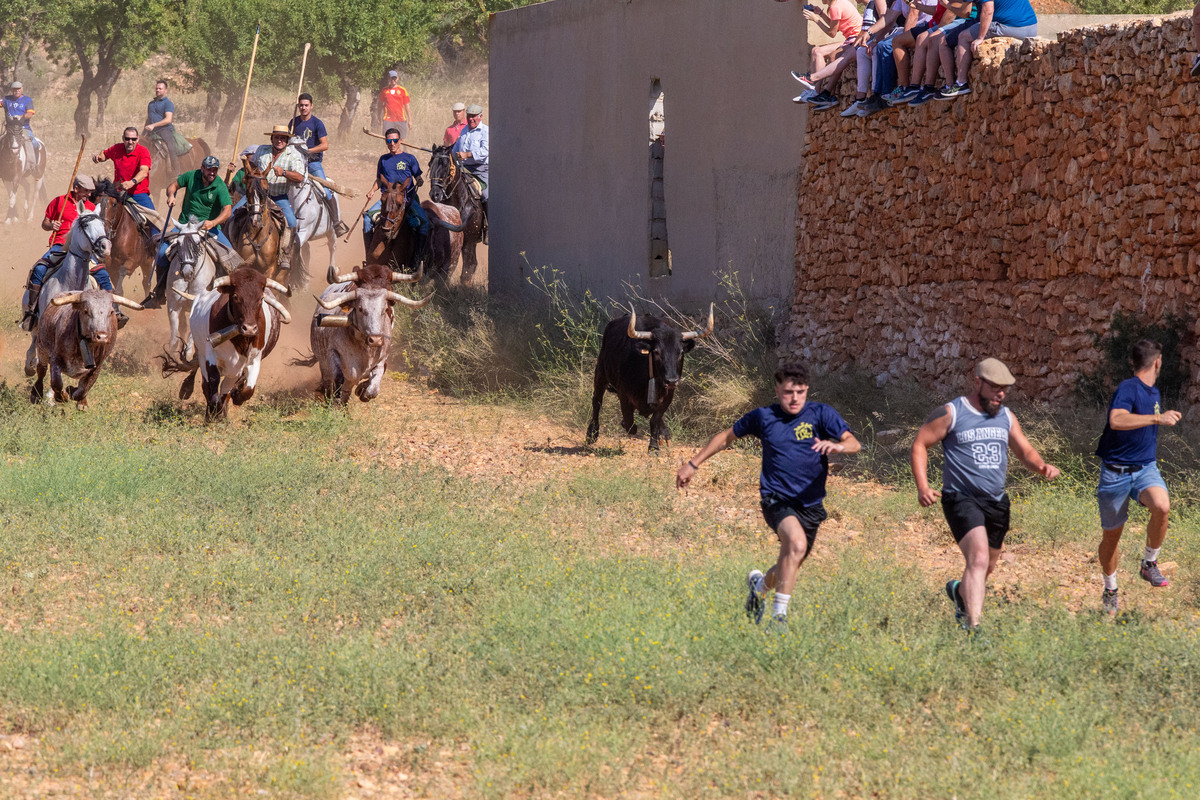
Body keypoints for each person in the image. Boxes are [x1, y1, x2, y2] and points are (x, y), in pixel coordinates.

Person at [677, 363, 861, 632]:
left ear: (807, 390)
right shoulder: (764, 417)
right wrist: (693, 464)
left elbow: (854, 443)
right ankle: (778, 621)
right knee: (796, 545)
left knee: (791, 561)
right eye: (788, 392)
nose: (794, 398)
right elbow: (726, 438)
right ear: (777, 391)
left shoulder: (821, 414)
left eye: (800, 392)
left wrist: (839, 446)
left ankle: (759, 586)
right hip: (776, 498)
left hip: (811, 503)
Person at [911, 358, 1060, 632]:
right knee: (978, 559)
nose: (1000, 394)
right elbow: (920, 443)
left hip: (996, 501)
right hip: (961, 497)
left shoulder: (1006, 416)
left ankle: (960, 593)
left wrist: (1041, 466)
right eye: (995, 388)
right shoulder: (952, 412)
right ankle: (974, 628)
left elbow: (1024, 450)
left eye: (1004, 389)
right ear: (977, 382)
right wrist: (923, 486)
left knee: (987, 566)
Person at [1094, 340, 1181, 615]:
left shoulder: (1153, 392)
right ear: (1157, 361)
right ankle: (1110, 589)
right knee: (1111, 539)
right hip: (1115, 475)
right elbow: (1117, 420)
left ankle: (1149, 564)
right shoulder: (1128, 388)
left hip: (1145, 469)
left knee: (1162, 506)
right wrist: (1157, 419)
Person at [23, 175, 121, 328]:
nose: (89, 195)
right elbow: (45, 223)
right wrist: (51, 225)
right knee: (39, 269)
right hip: (59, 246)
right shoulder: (59, 202)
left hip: (83, 250)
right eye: (86, 191)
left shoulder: (90, 208)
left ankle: (114, 311)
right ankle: (32, 312)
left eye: (90, 192)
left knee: (103, 275)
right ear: (76, 189)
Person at [143, 155, 234, 308]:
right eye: (209, 169)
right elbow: (173, 186)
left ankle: (226, 297)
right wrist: (171, 195)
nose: (212, 173)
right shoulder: (191, 176)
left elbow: (227, 211)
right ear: (202, 168)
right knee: (161, 253)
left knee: (231, 258)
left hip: (209, 228)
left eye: (215, 170)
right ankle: (159, 293)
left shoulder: (219, 185)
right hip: (184, 226)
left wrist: (213, 222)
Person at [943, 0, 1037, 98]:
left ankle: (961, 83)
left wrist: (980, 38)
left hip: (1012, 27)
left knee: (963, 37)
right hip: (1031, 27)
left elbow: (988, 10)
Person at [364, 127, 429, 267]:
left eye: (395, 140)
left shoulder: (409, 158)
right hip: (387, 199)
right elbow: (379, 180)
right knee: (367, 219)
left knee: (424, 224)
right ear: (386, 142)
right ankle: (368, 257)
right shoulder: (383, 159)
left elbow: (417, 175)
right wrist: (372, 191)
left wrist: (419, 180)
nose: (392, 143)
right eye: (389, 140)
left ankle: (418, 258)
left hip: (407, 199)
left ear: (400, 141)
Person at [248, 125, 307, 272]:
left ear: (287, 140)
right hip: (258, 195)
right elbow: (251, 164)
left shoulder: (293, 155)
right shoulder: (261, 150)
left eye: (283, 138)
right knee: (235, 213)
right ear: (272, 138)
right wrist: (252, 174)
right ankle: (232, 250)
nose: (279, 140)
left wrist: (285, 172)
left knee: (291, 222)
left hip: (279, 197)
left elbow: (299, 177)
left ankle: (286, 254)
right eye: (277, 137)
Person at [289, 93, 348, 236]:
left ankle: (336, 222)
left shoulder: (317, 123)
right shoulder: (293, 123)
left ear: (311, 106)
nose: (303, 108)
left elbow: (325, 145)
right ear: (298, 106)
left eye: (306, 105)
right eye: (301, 105)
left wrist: (307, 151)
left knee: (325, 190)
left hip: (313, 163)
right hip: (295, 164)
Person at [791, 0, 864, 111]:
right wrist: (820, 13)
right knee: (816, 51)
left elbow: (832, 33)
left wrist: (816, 20)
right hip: (851, 38)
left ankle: (822, 91)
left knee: (833, 55)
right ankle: (815, 91)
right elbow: (835, 25)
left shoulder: (835, 7)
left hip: (855, 39)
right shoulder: (838, 4)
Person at [92, 127, 156, 212]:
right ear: (123, 138)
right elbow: (105, 154)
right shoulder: (117, 148)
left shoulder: (143, 151)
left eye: (133, 139)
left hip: (138, 193)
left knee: (154, 222)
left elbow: (144, 171)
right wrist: (99, 158)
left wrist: (131, 182)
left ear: (138, 139)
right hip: (117, 192)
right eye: (127, 139)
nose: (130, 142)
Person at [452, 104, 489, 243]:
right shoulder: (464, 131)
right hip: (464, 169)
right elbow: (455, 150)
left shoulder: (485, 131)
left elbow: (485, 151)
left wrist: (467, 154)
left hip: (481, 169)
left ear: (480, 116)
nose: (471, 119)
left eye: (474, 116)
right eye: (469, 116)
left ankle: (488, 227)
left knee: (486, 195)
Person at [144, 79, 190, 173]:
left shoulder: (168, 103)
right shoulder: (151, 104)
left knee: (171, 148)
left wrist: (153, 125)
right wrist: (144, 131)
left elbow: (168, 119)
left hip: (164, 130)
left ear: (166, 90)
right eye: (157, 88)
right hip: (151, 131)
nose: (158, 90)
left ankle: (176, 172)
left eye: (160, 89)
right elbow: (148, 119)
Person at [2, 81, 39, 165]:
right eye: (15, 89)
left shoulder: (27, 100)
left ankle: (35, 165)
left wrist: (20, 116)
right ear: (12, 90)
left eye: (18, 89)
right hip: (10, 130)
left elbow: (30, 114)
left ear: (22, 89)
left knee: (34, 143)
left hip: (24, 128)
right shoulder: (6, 99)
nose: (17, 91)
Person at [378, 70, 413, 139]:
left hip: (401, 119)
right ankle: (388, 150)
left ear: (397, 78)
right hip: (388, 119)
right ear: (388, 79)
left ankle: (405, 150)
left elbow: (407, 106)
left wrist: (410, 120)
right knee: (387, 138)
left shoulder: (402, 90)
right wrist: (378, 116)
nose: (393, 80)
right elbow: (380, 104)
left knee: (403, 139)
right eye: (391, 78)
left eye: (394, 78)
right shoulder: (384, 90)